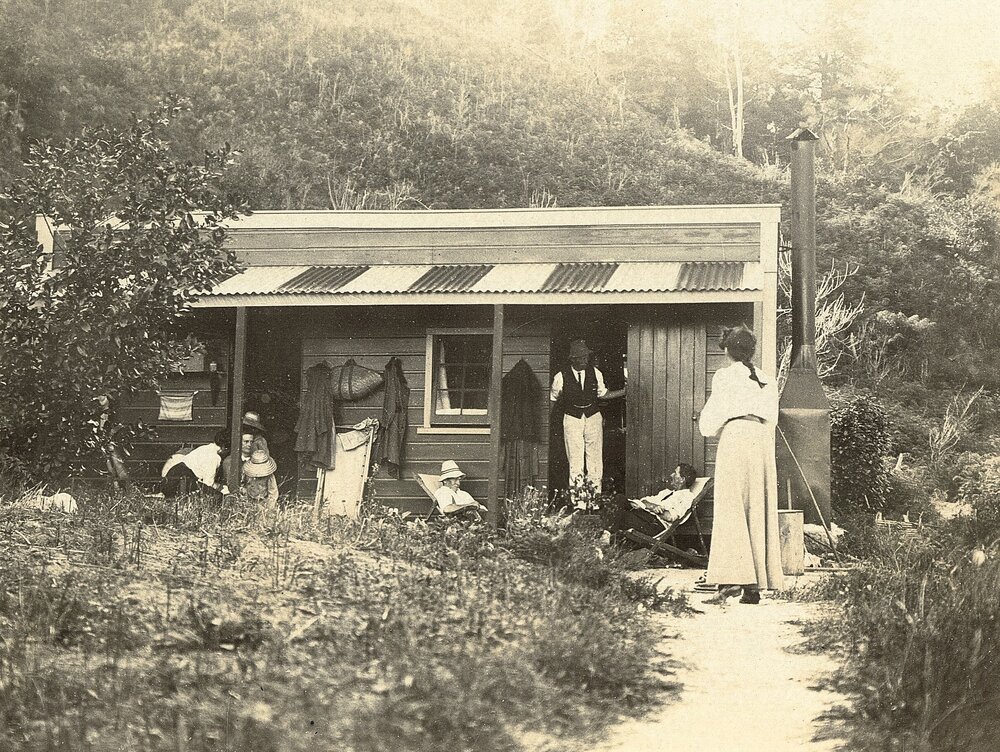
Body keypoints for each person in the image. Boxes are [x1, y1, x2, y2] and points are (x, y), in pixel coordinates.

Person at [698, 325, 783, 604]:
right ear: (751, 351)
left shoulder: (725, 376)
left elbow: (710, 423)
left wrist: (707, 423)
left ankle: (731, 581)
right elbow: (772, 418)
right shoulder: (767, 379)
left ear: (726, 350)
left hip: (736, 437)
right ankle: (753, 587)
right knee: (756, 506)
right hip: (760, 440)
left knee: (731, 505)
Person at [550, 339, 625, 501]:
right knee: (575, 460)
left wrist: (624, 391)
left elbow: (603, 394)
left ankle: (594, 500)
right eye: (581, 358)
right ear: (573, 359)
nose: (585, 360)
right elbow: (553, 400)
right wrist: (555, 422)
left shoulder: (595, 373)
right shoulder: (560, 376)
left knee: (595, 459)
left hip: (593, 417)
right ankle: (578, 502)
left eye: (586, 357)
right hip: (571, 418)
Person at [161, 429, 231, 499]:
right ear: (224, 447)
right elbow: (208, 483)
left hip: (173, 476)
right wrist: (221, 488)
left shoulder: (205, 448)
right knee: (218, 496)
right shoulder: (214, 457)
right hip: (181, 481)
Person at [630, 463, 699, 522]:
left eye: (675, 473)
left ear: (682, 479)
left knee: (621, 507)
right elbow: (644, 500)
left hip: (655, 524)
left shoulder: (687, 497)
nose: (671, 475)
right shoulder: (666, 492)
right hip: (644, 518)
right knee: (621, 500)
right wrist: (652, 506)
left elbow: (670, 516)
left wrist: (653, 509)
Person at [243, 436, 279, 510]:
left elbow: (273, 492)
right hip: (250, 502)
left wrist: (269, 507)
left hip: (264, 502)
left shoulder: (269, 476)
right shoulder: (247, 472)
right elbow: (243, 484)